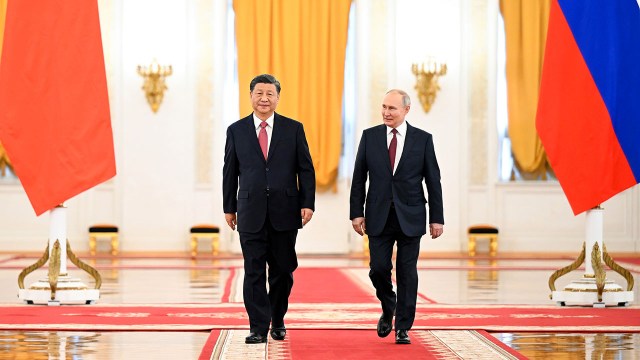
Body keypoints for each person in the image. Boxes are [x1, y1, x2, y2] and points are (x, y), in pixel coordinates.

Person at [223, 74, 316, 344]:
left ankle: (278, 318)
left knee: (282, 271)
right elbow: (230, 172)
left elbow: (305, 169)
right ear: (250, 96)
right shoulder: (236, 130)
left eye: (270, 94)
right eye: (259, 93)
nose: (264, 98)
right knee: (253, 270)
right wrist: (229, 207)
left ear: (277, 97)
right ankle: (257, 327)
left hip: (285, 211)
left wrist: (307, 203)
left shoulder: (293, 129)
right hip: (250, 211)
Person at [349, 89, 444, 345]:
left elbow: (433, 181)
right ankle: (388, 305)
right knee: (378, 269)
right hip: (378, 215)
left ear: (406, 110)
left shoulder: (423, 139)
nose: (386, 113)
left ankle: (403, 326)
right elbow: (359, 178)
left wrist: (437, 218)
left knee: (406, 271)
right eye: (384, 107)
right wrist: (356, 213)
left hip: (411, 215)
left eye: (392, 108)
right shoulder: (369, 137)